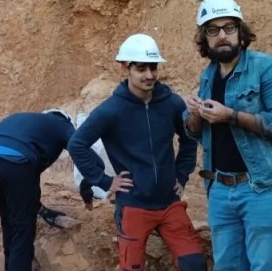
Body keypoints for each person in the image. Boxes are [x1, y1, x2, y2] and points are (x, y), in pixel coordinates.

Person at [183, 0, 272, 271]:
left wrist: (232, 115)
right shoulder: (209, 76)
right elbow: (197, 134)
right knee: (227, 266)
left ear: (240, 31)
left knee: (264, 266)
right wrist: (196, 116)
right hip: (220, 188)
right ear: (205, 37)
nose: (222, 35)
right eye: (213, 30)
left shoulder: (266, 68)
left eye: (229, 28)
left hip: (262, 187)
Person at [69, 35, 206, 271]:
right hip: (133, 205)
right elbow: (77, 144)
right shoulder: (111, 109)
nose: (149, 75)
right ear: (126, 68)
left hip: (169, 203)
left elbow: (189, 138)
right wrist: (104, 181)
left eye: (153, 67)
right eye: (141, 68)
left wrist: (182, 175)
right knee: (132, 267)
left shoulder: (171, 103)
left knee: (193, 263)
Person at [0, 108, 97, 271]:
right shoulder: (63, 125)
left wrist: (42, 210)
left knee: (9, 220)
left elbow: (30, 182)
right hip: (15, 159)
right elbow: (84, 153)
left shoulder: (30, 122)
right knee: (22, 227)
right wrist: (87, 187)